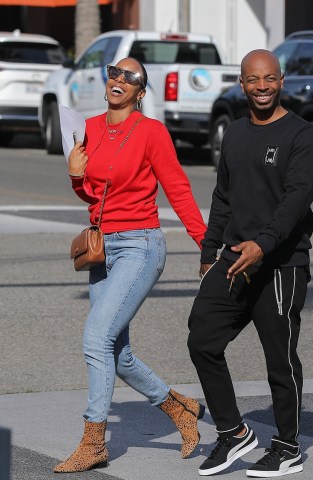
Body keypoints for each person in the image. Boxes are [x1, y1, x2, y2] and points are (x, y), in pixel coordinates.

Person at [53, 57, 207, 473]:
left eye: (131, 77)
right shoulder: (88, 128)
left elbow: (177, 188)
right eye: (114, 73)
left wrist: (205, 245)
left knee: (95, 338)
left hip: (141, 246)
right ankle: (180, 408)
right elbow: (94, 197)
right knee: (116, 354)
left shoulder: (152, 132)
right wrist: (74, 177)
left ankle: (93, 440)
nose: (120, 79)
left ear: (141, 92)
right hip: (104, 248)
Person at [187, 49, 313, 477]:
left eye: (269, 79)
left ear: (281, 80)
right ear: (241, 84)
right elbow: (223, 198)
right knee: (202, 339)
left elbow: (295, 202)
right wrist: (210, 252)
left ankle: (287, 446)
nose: (261, 86)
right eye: (252, 80)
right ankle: (233, 432)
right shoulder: (237, 133)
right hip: (232, 259)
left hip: (280, 265)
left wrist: (262, 246)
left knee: (279, 357)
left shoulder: (302, 135)